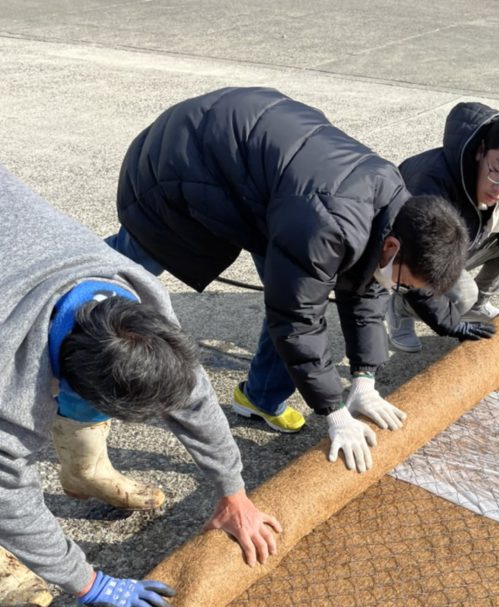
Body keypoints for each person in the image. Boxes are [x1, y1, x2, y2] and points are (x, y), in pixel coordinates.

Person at [107, 87, 469, 473]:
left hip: (262, 179)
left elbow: (364, 287)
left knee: (290, 287)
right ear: (393, 247)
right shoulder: (324, 227)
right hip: (181, 161)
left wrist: (365, 379)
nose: (397, 290)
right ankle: (63, 290)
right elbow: (296, 319)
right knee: (126, 268)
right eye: (403, 283)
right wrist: (333, 411)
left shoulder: (396, 209)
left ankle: (259, 398)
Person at [0, 165, 281, 607]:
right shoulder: (9, 382)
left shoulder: (137, 301)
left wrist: (234, 492)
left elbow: (194, 397)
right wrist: (88, 582)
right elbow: (7, 491)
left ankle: (82, 472)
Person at [387, 104, 499, 356]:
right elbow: (414, 258)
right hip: (404, 259)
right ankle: (400, 305)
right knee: (461, 293)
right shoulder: (431, 181)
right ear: (481, 151)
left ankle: (478, 305)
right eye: (496, 171)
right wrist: (448, 322)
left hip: (457, 246)